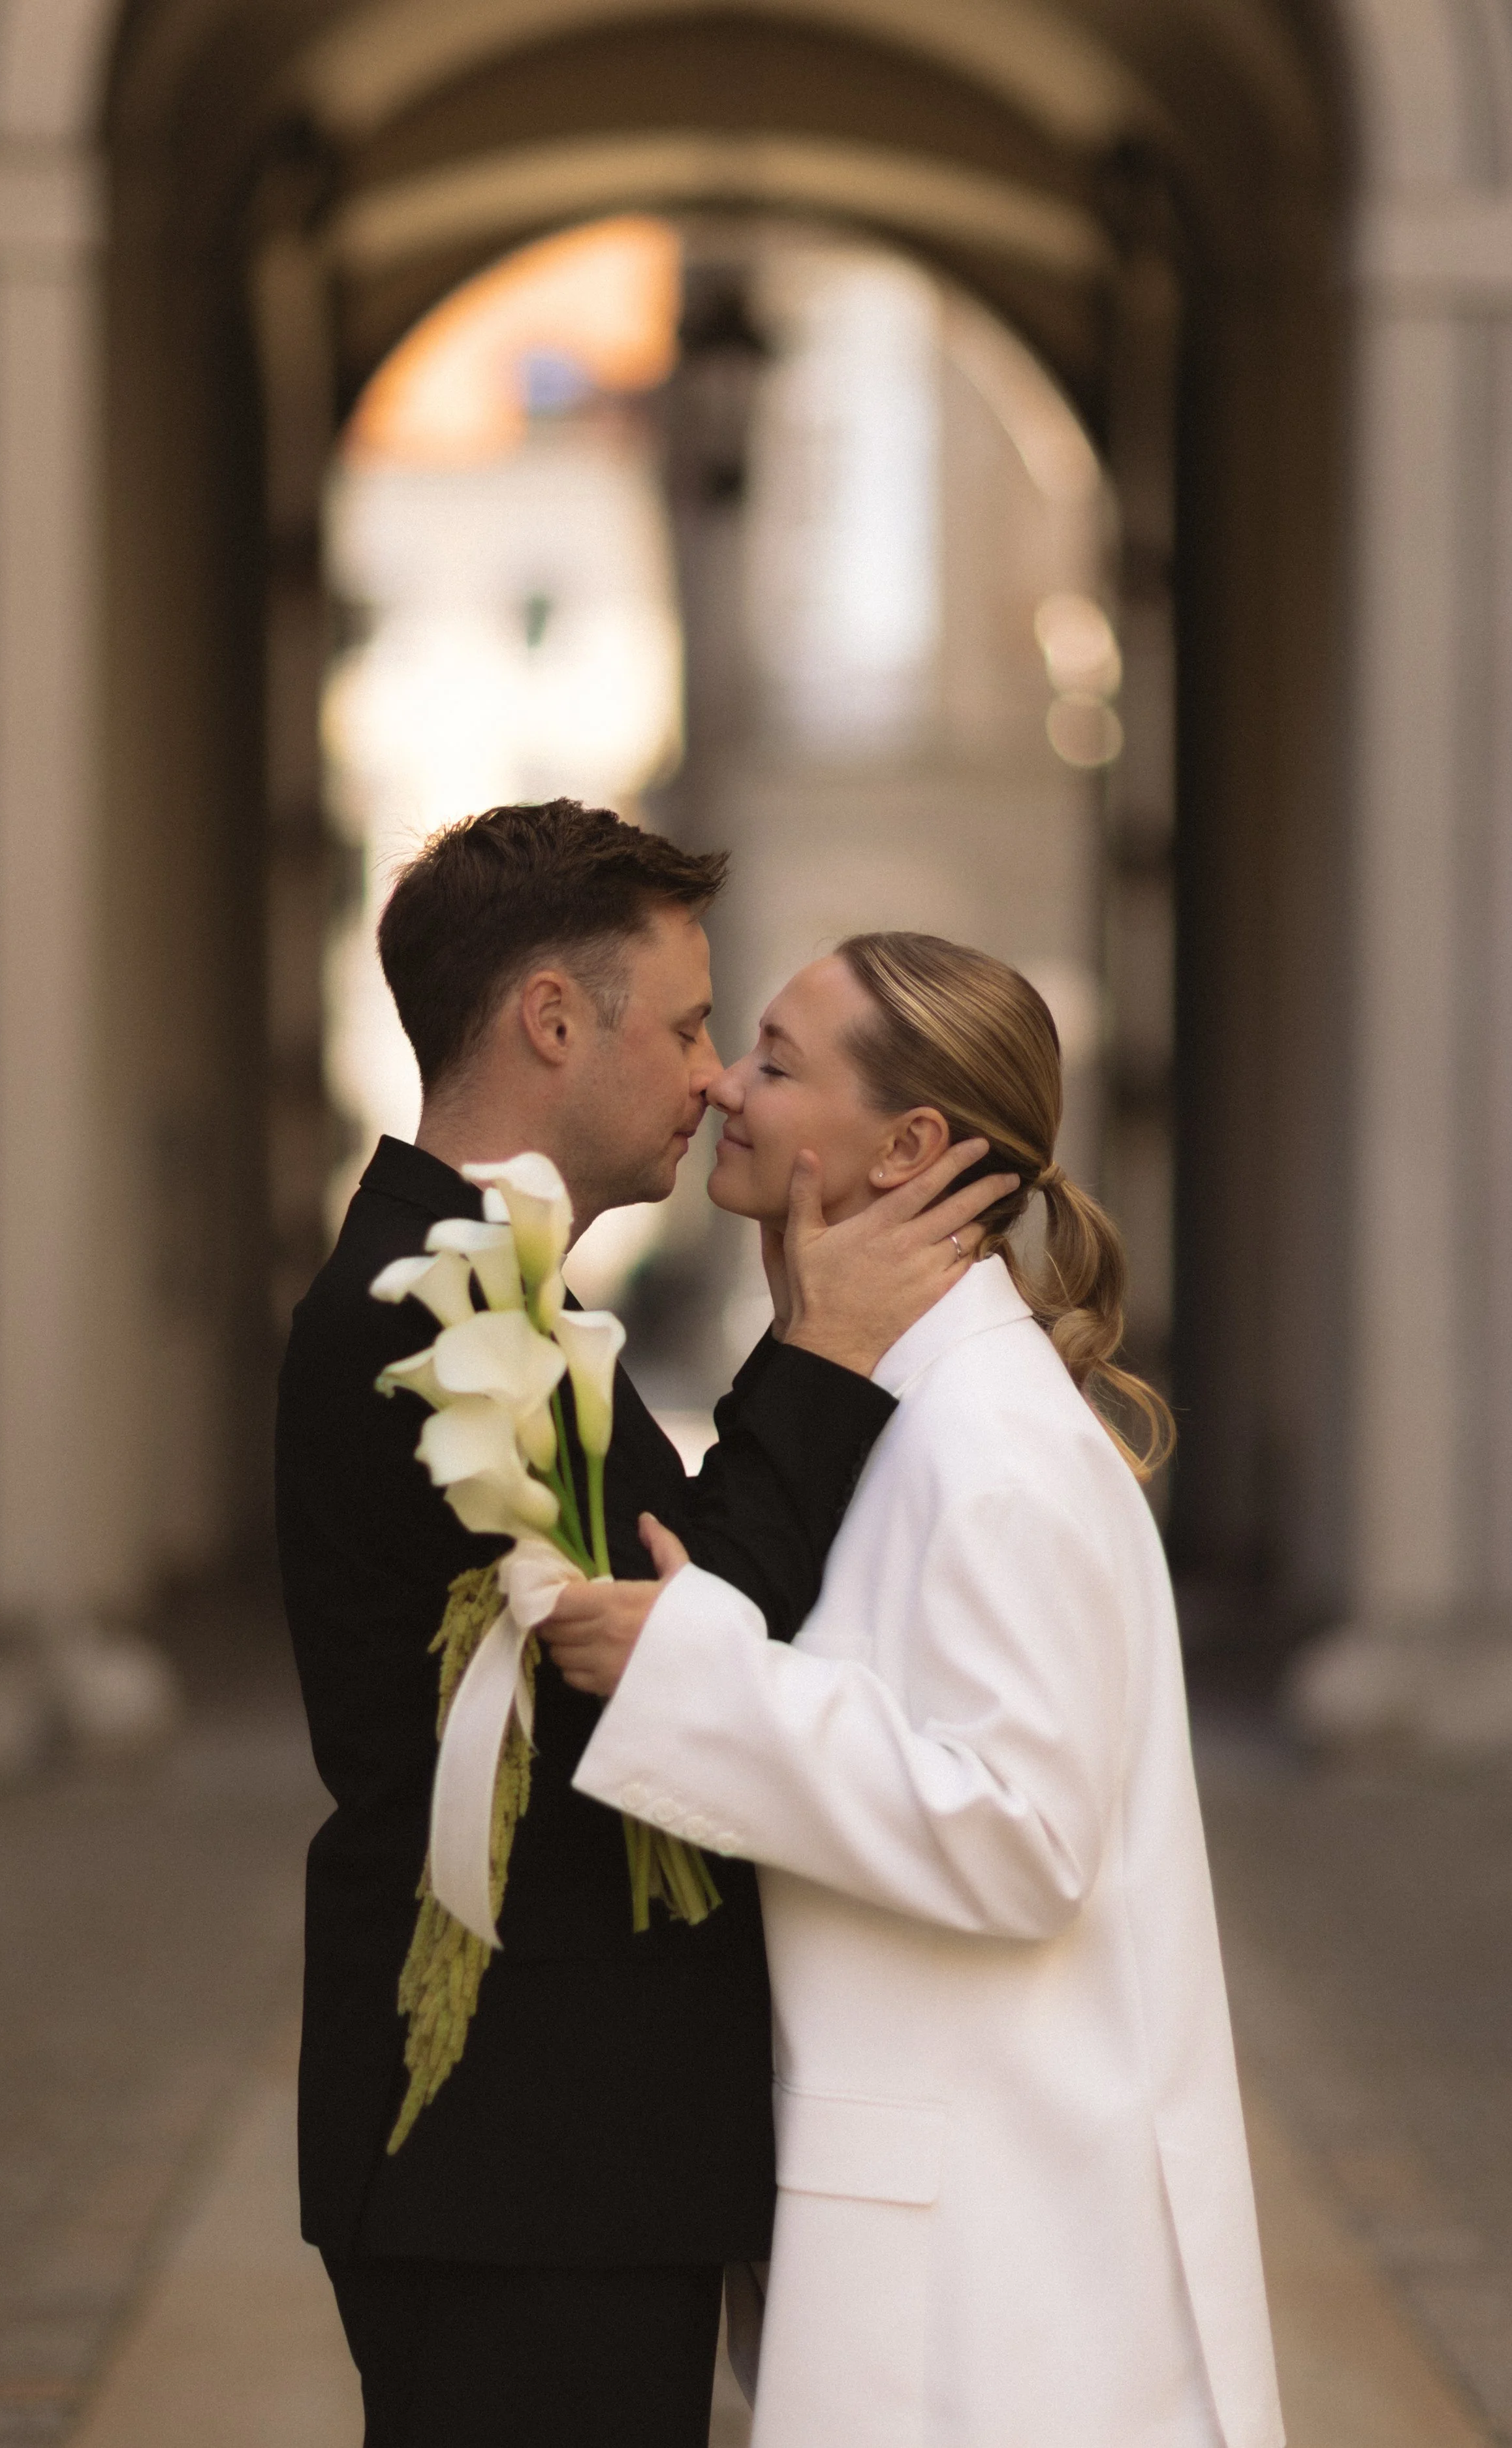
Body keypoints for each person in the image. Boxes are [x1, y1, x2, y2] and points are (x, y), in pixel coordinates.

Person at [274, 813, 1015, 2448]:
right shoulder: (435, 1311)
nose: (710, 1081)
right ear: (551, 1020)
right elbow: (685, 1646)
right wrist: (821, 1351)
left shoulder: (484, 1285)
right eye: (687, 1028)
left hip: (560, 2162)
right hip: (516, 2159)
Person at [543, 934, 1285, 2448]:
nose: (724, 1089)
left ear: (911, 1147)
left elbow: (1021, 1832)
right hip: (955, 2240)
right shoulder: (909, 1408)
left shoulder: (990, 1446)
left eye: (770, 1058)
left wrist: (695, 1681)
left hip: (1012, 2285)